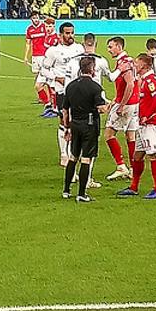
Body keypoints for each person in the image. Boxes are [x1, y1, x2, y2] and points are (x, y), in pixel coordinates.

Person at [64, 32, 123, 188]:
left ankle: (71, 177)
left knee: (74, 143)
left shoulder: (72, 61)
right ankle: (88, 179)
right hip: (93, 107)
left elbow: (66, 85)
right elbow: (111, 78)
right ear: (95, 44)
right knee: (89, 145)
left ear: (83, 44)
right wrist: (120, 69)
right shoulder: (101, 61)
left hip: (74, 103)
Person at [62, 56, 109, 202]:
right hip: (89, 125)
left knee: (73, 156)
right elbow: (101, 109)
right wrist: (110, 105)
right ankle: (81, 194)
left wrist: (67, 127)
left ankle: (66, 190)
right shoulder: (95, 87)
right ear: (92, 69)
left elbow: (65, 110)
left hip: (75, 124)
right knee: (86, 159)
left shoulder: (70, 86)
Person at [117, 54, 156, 199]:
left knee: (153, 155)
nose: (134, 66)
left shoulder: (150, 80)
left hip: (151, 125)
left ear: (144, 65)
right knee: (137, 156)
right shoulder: (143, 79)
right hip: (143, 125)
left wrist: (147, 115)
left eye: (137, 63)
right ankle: (134, 187)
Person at [41, 22, 84, 166]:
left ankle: (73, 152)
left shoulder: (79, 48)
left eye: (72, 32)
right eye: (67, 33)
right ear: (60, 35)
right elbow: (44, 69)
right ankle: (63, 154)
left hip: (78, 90)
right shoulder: (53, 51)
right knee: (63, 121)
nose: (70, 35)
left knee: (76, 121)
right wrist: (56, 78)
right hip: (62, 91)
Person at [105, 37, 140, 181]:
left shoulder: (124, 63)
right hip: (134, 103)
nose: (109, 50)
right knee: (130, 136)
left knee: (109, 134)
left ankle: (121, 166)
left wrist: (121, 104)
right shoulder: (130, 60)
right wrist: (116, 98)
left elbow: (130, 84)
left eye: (111, 47)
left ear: (119, 47)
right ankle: (133, 169)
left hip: (126, 104)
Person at [35, 17, 60, 118]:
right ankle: (48, 105)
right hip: (45, 66)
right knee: (38, 86)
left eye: (50, 26)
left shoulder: (56, 39)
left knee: (52, 88)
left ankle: (54, 109)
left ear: (54, 26)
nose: (48, 28)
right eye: (46, 26)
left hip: (52, 67)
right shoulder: (47, 37)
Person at [24, 11, 48, 105]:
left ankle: (48, 97)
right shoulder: (29, 30)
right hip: (35, 55)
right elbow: (28, 43)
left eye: (37, 17)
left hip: (44, 55)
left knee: (45, 76)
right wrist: (26, 56)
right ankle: (41, 97)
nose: (36, 19)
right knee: (37, 75)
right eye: (34, 18)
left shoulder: (44, 27)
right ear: (31, 19)